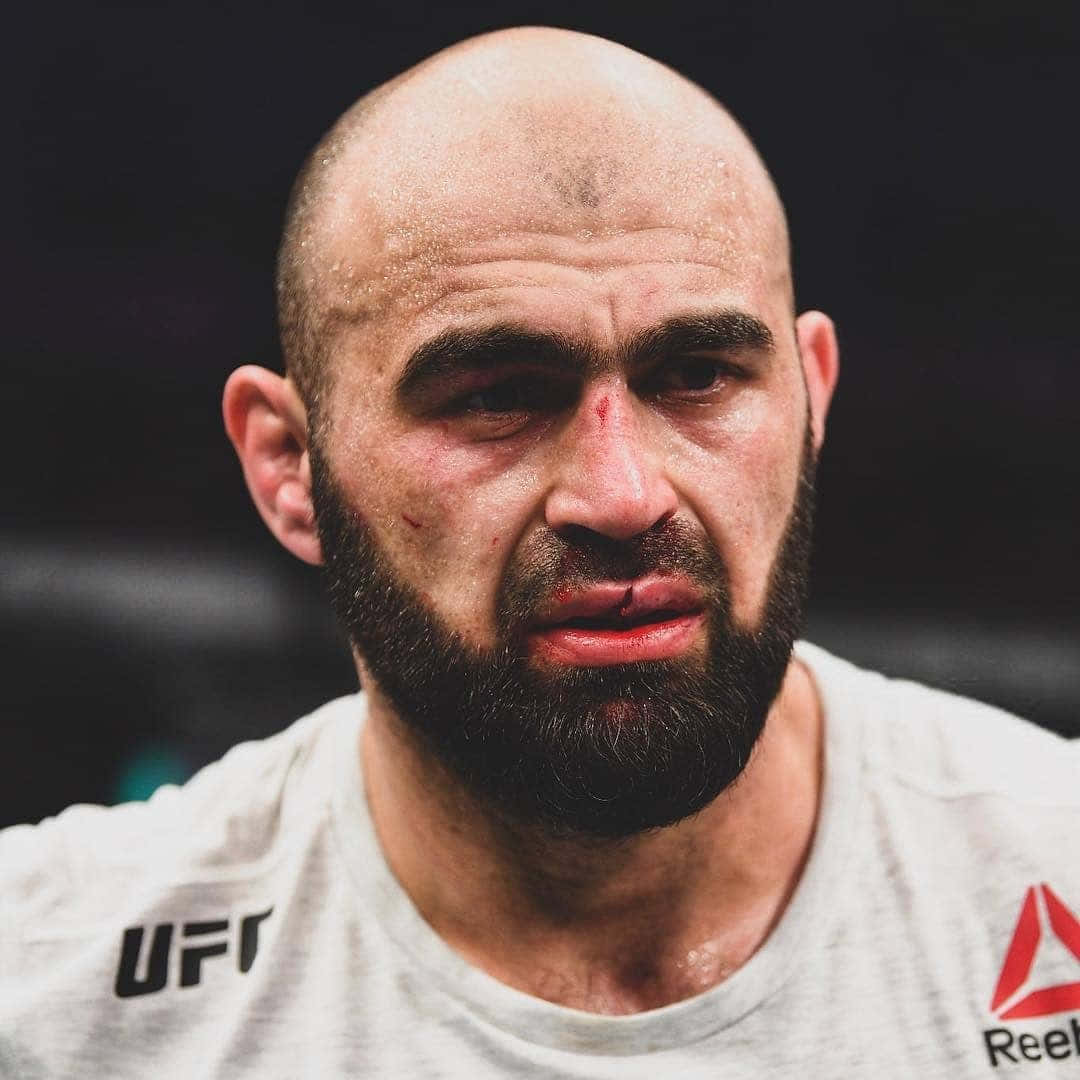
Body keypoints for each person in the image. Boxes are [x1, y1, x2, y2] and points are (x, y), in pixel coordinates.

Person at [2, 26, 1078, 1079]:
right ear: (289, 464)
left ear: (811, 397)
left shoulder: (1050, 856)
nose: (623, 496)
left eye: (697, 375)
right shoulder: (47, 998)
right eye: (498, 396)